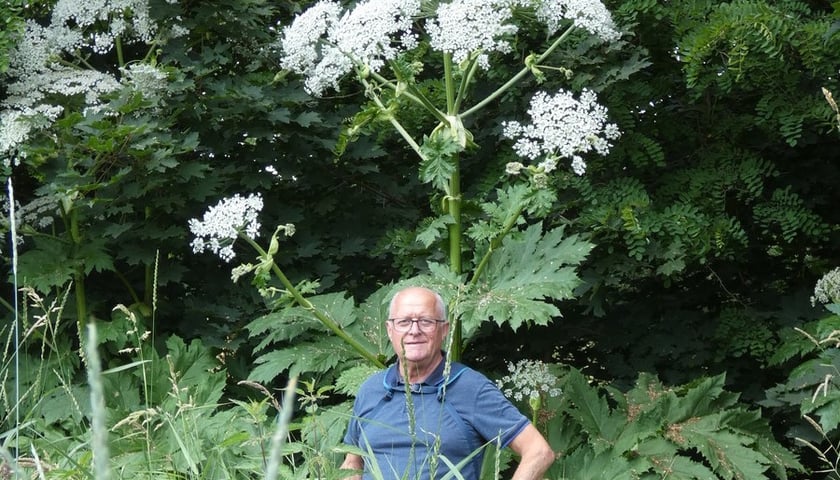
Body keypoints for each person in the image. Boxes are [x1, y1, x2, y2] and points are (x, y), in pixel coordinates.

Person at [340, 286, 555, 480]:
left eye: (425, 321)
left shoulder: (470, 388)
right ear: (389, 330)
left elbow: (538, 451)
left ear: (444, 330)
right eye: (404, 322)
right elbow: (353, 461)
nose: (414, 331)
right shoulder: (372, 389)